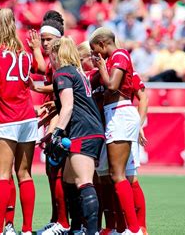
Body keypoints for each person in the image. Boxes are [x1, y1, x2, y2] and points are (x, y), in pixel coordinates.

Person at [0, 8, 38, 235]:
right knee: (24, 173)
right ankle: (26, 229)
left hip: (5, 119)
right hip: (27, 117)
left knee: (2, 175)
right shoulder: (24, 54)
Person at [89, 27, 144, 235]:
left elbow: (112, 85)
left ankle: (133, 229)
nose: (96, 56)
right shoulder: (115, 57)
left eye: (97, 51)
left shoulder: (119, 55)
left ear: (104, 44)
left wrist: (102, 67)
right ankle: (129, 228)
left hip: (120, 112)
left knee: (117, 174)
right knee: (120, 174)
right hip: (118, 113)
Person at [48, 36, 105, 235]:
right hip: (90, 130)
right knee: (69, 180)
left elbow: (69, 106)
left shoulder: (63, 73)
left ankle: (91, 231)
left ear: (56, 54)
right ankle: (76, 228)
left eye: (50, 56)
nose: (50, 60)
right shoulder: (77, 72)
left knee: (84, 181)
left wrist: (56, 132)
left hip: (83, 131)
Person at [30, 11, 72, 235]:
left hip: (61, 118)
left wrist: (37, 88)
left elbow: (61, 87)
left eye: (48, 39)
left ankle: (63, 222)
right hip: (52, 115)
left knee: (57, 169)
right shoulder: (52, 60)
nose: (45, 43)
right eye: (42, 39)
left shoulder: (60, 60)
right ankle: (57, 218)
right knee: (52, 169)